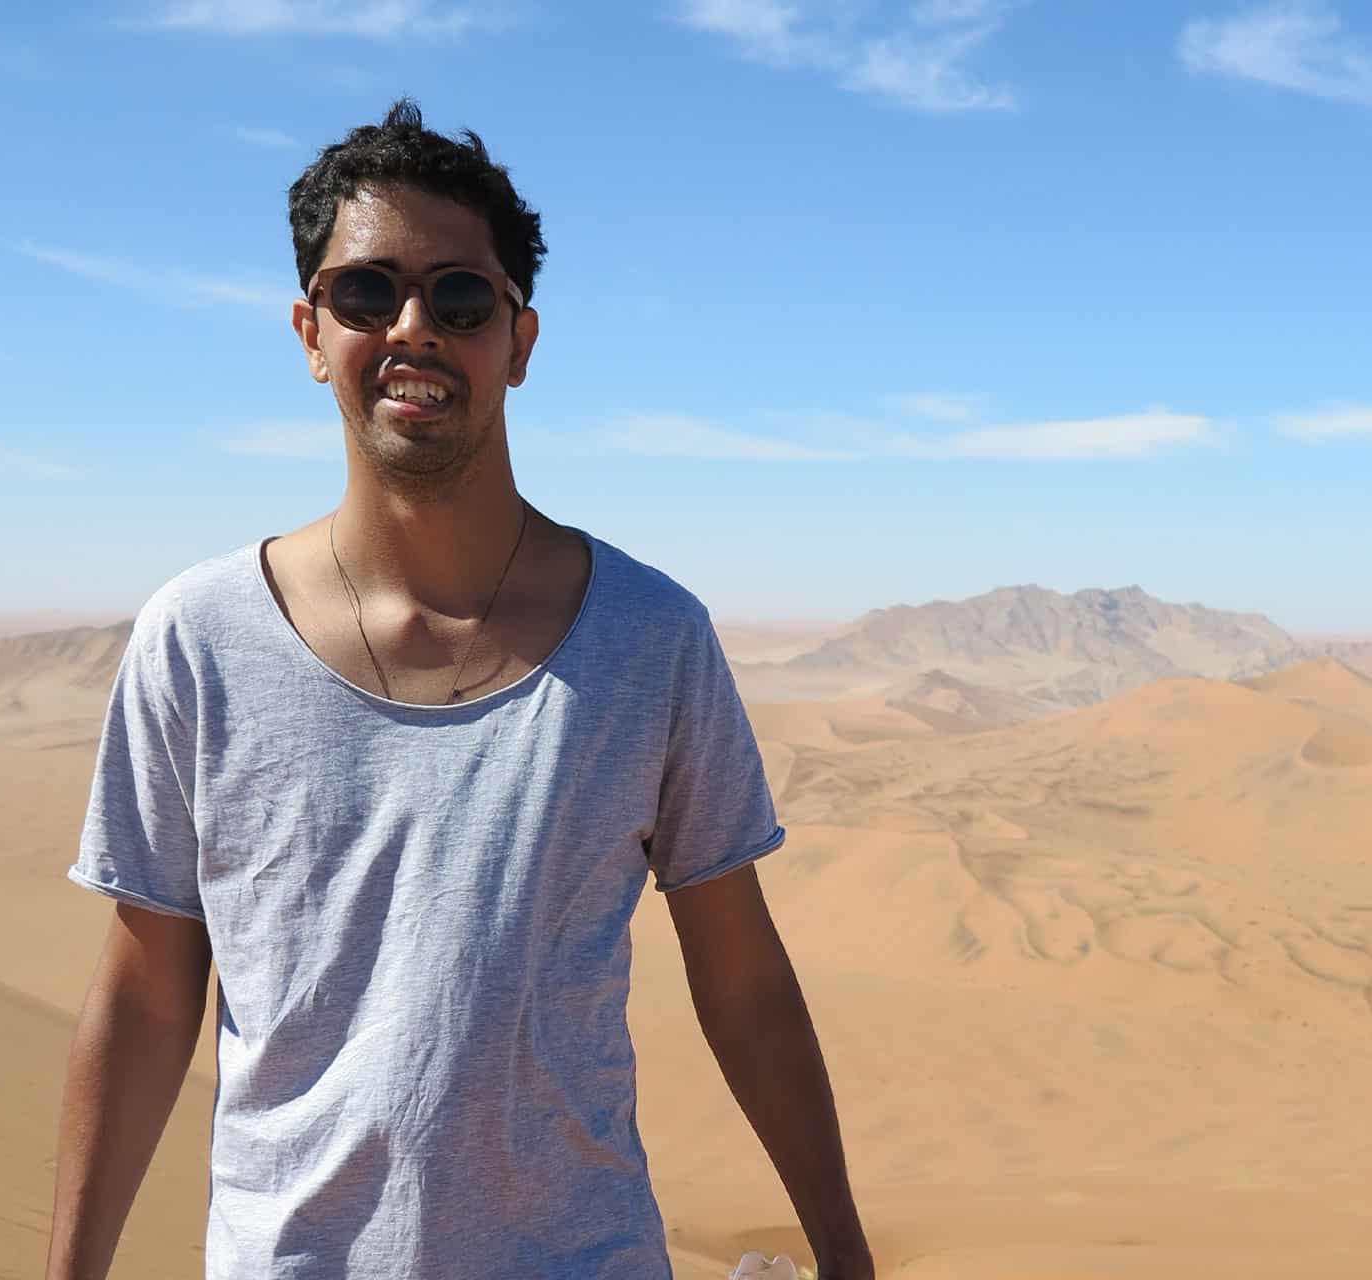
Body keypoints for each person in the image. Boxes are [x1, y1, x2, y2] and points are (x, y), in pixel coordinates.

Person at [45, 99, 873, 1280]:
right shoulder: (198, 638)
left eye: (461, 298)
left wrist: (845, 1249)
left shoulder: (650, 637)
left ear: (520, 341)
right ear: (308, 329)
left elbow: (740, 975)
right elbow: (142, 991)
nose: (413, 328)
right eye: (367, 294)